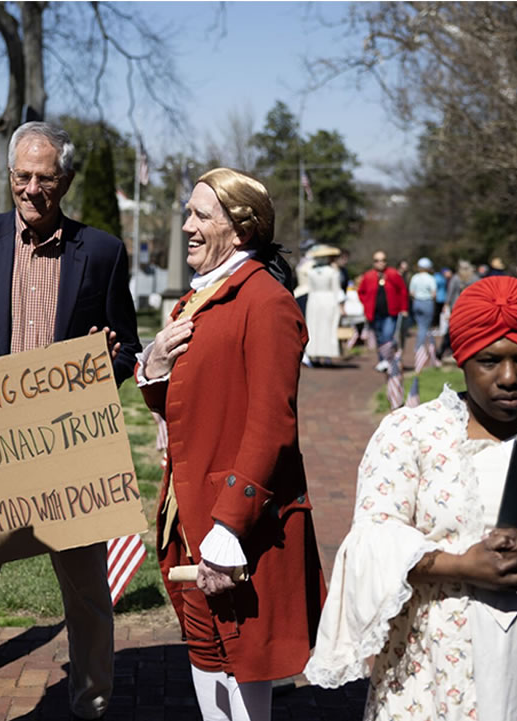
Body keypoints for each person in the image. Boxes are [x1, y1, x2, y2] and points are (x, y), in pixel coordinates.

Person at [0, 120, 141, 721]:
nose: (32, 189)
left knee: (89, 598)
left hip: (67, 457)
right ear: (10, 175)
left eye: (46, 178)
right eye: (22, 176)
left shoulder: (104, 253)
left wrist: (102, 359)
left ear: (64, 181)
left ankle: (89, 707)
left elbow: (124, 349)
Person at [304, 275, 517, 720]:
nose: (510, 378)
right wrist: (462, 566)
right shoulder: (411, 435)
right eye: (489, 361)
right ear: (460, 358)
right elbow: (370, 541)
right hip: (437, 664)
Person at [136, 168, 326, 721]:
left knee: (245, 667)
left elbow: (274, 425)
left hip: (239, 522)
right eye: (188, 212)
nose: (187, 225)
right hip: (188, 511)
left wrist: (230, 525)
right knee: (206, 656)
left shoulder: (266, 302)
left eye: (200, 215)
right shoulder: (197, 301)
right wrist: (154, 366)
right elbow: (186, 406)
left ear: (240, 229)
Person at [357, 251, 409, 371]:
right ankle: (382, 360)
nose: (380, 263)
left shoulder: (393, 274)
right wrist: (366, 304)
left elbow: (402, 291)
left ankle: (389, 360)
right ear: (373, 262)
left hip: (390, 313)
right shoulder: (368, 275)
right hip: (374, 313)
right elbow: (361, 292)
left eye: (383, 260)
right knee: (379, 337)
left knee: (387, 336)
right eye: (377, 260)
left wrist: (404, 308)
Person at [304, 245, 344, 365]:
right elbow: (336, 290)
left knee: (314, 327)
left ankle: (315, 355)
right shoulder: (333, 272)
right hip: (328, 300)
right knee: (327, 328)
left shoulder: (310, 272)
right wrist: (340, 304)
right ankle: (327, 356)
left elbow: (309, 288)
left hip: (314, 301)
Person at [408, 256, 437, 351]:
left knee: (421, 326)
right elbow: (434, 294)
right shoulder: (430, 278)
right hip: (427, 303)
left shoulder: (415, 277)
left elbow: (411, 292)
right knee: (425, 326)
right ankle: (421, 347)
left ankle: (423, 346)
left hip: (416, 302)